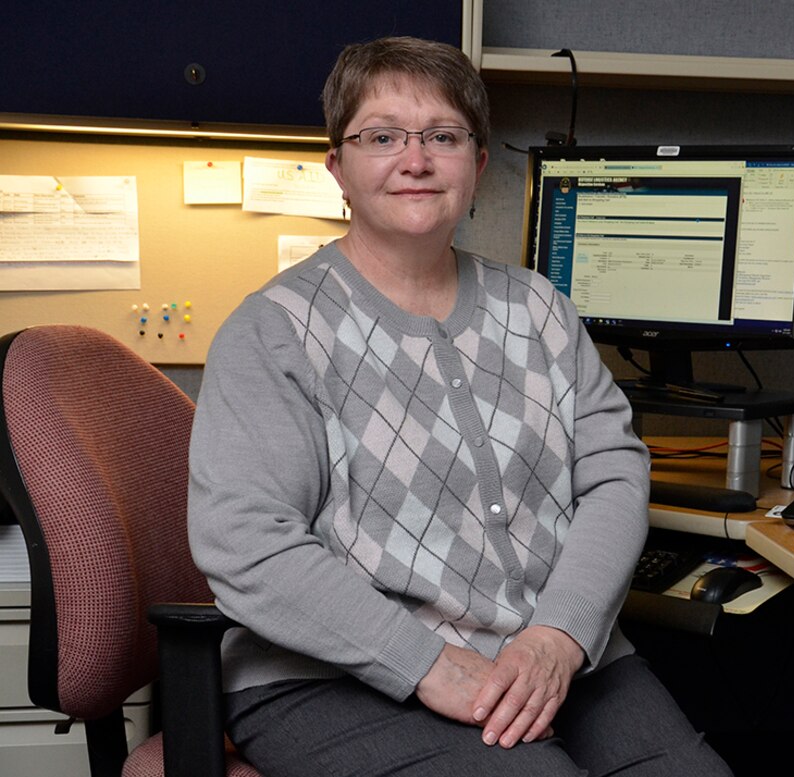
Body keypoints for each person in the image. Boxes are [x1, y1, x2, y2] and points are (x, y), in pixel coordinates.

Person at [188, 36, 733, 777]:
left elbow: (611, 476)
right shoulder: (274, 329)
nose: (415, 160)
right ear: (336, 169)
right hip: (326, 676)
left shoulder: (540, 307)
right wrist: (427, 662)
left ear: (476, 165)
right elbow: (246, 541)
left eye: (443, 137)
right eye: (381, 137)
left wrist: (558, 636)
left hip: (549, 657)